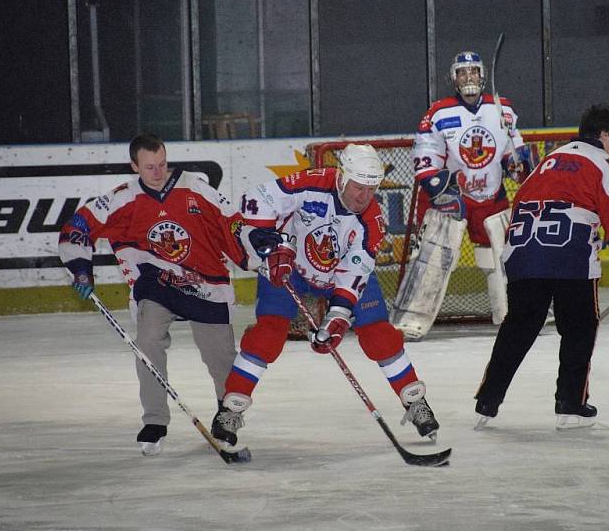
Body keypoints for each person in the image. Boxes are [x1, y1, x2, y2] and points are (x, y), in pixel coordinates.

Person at [219, 143, 441, 442]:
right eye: (359, 187)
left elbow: (352, 275)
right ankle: (231, 408)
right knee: (267, 334)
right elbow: (256, 201)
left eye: (371, 190)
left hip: (337, 275)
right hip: (290, 266)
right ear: (342, 177)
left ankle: (415, 401)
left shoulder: (372, 223)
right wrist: (269, 241)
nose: (364, 197)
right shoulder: (310, 183)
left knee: (379, 334)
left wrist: (337, 318)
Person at [58, 133, 260, 456]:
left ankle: (227, 416)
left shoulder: (194, 187)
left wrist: (255, 247)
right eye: (149, 166)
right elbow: (78, 228)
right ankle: (154, 420)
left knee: (220, 354)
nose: (158, 172)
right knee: (148, 341)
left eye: (162, 164)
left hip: (205, 281)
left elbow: (231, 222)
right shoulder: (122, 198)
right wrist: (81, 268)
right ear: (134, 165)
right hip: (156, 282)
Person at [473, 104, 609, 430]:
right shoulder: (604, 164)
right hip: (570, 256)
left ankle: (487, 400)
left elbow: (520, 201)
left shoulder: (548, 161)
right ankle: (570, 405)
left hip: (523, 253)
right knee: (580, 326)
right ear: (604, 134)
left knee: (519, 327)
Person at [393, 50, 533, 339]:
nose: (468, 76)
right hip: (452, 195)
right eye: (462, 72)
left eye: (473, 71)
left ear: (482, 76)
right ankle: (411, 319)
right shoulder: (439, 112)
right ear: (453, 78)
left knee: (502, 255)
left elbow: (513, 153)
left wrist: (516, 163)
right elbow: (425, 157)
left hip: (492, 195)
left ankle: (515, 312)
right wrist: (438, 187)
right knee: (435, 254)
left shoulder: (503, 109)